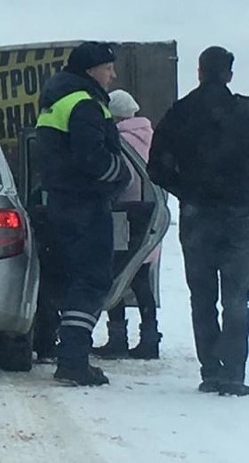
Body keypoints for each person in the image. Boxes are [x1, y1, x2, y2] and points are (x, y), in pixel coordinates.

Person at [147, 46, 249, 396]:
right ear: (229, 75)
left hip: (197, 215)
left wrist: (185, 191)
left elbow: (156, 168)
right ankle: (233, 373)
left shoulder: (179, 113)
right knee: (236, 297)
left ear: (200, 72)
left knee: (202, 296)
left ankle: (210, 370)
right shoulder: (245, 112)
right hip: (240, 216)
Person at [35, 41, 130, 386]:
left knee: (68, 279)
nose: (112, 75)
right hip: (86, 205)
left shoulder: (56, 100)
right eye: (108, 68)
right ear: (91, 70)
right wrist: (121, 173)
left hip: (61, 202)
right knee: (91, 280)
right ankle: (73, 361)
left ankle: (60, 349)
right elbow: (92, 159)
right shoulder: (85, 104)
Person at [92, 89, 162, 360]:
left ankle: (117, 337)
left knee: (116, 276)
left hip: (122, 214)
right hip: (150, 216)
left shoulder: (118, 141)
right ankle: (150, 338)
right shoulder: (151, 137)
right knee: (142, 279)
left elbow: (117, 177)